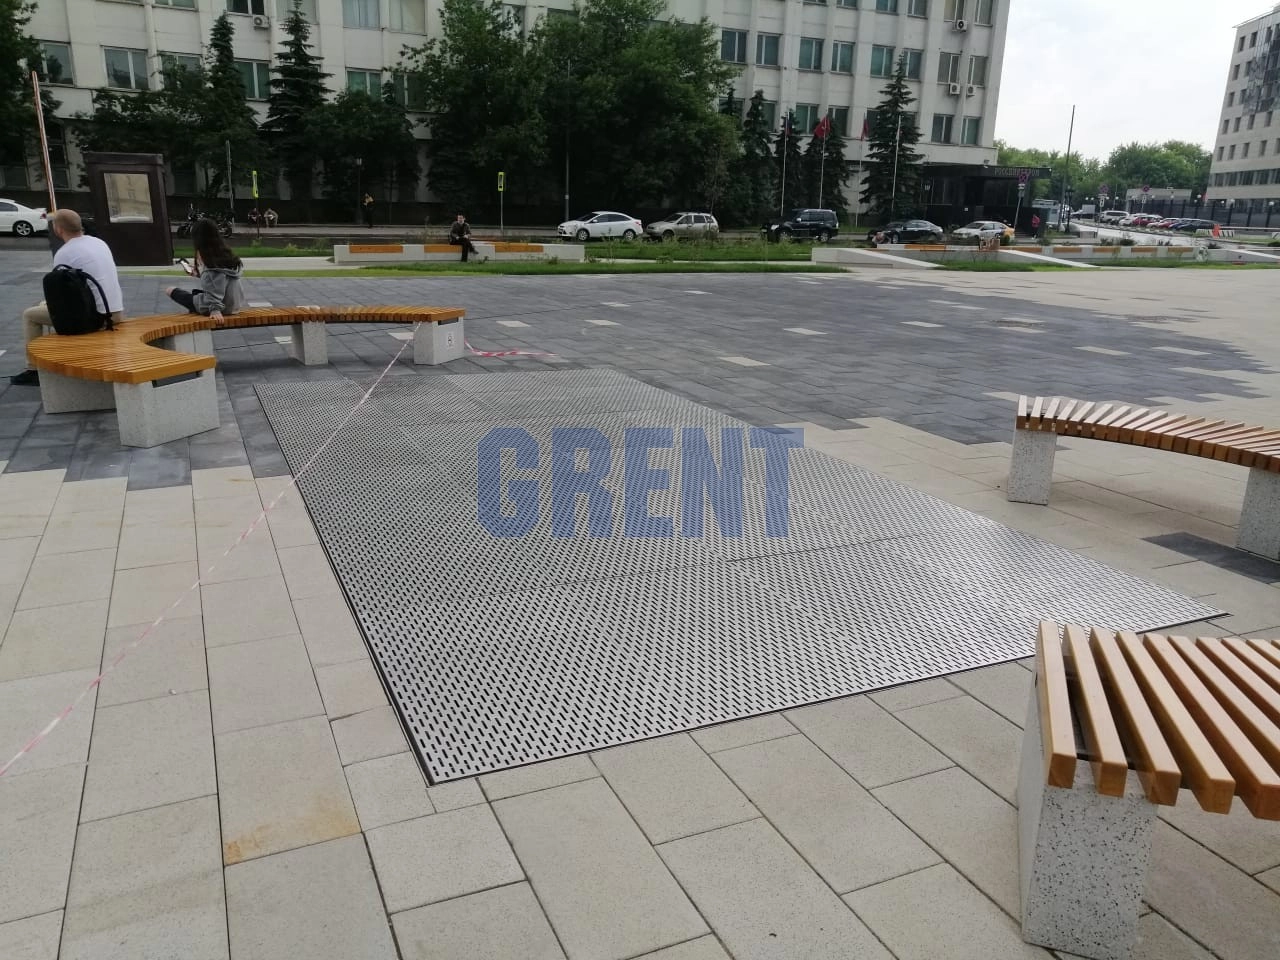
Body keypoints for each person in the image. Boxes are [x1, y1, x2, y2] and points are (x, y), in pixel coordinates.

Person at [12, 208, 125, 386]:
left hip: (98, 319)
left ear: (58, 229)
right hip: (116, 312)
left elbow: (63, 296)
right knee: (44, 305)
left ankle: (34, 370)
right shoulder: (98, 242)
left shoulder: (65, 253)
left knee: (30, 315)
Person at [164, 218, 245, 323]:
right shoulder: (226, 256)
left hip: (220, 308)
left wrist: (215, 310)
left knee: (170, 290)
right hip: (234, 305)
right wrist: (199, 274)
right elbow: (219, 282)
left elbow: (215, 286)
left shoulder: (211, 268)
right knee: (196, 294)